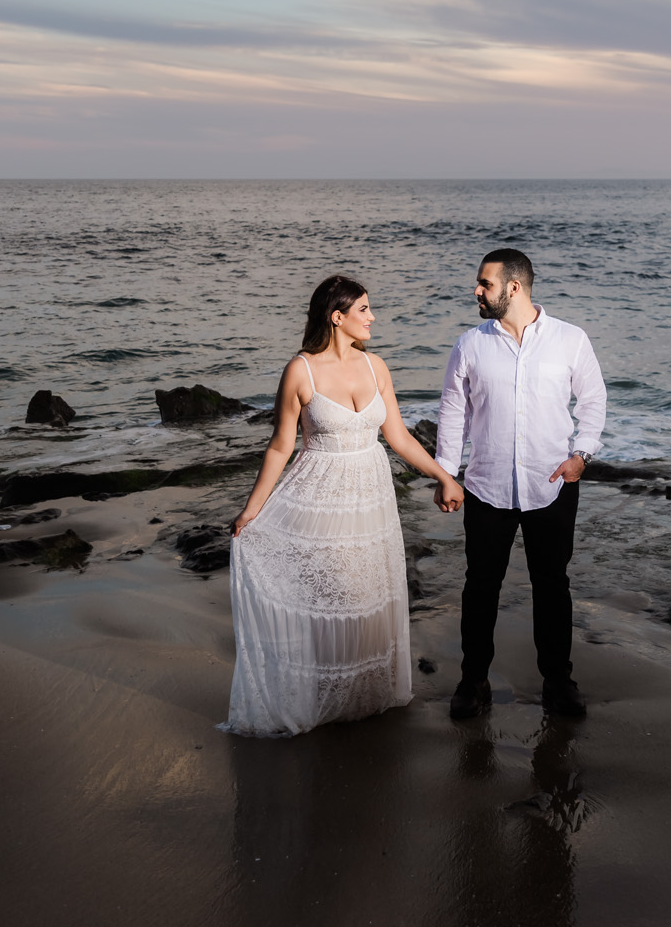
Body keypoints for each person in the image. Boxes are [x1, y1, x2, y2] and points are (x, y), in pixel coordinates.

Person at [222, 274, 464, 737]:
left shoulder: (377, 367)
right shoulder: (301, 371)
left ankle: (362, 700)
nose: (372, 317)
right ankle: (325, 701)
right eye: (364, 310)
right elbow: (280, 447)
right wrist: (252, 511)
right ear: (338, 317)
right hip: (320, 500)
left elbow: (397, 437)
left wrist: (443, 475)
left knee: (370, 599)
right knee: (340, 599)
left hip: (372, 501)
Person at [436, 248, 606, 721]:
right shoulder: (470, 345)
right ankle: (473, 682)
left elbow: (593, 399)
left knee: (552, 585)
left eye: (484, 284)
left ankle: (558, 682)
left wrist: (581, 456)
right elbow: (453, 412)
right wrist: (446, 474)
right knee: (480, 586)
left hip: (551, 485)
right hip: (486, 486)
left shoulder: (570, 340)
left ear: (513, 287)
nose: (477, 291)